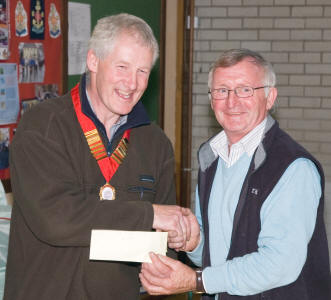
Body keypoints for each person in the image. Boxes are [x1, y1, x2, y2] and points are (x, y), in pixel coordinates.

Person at [4, 13, 191, 300]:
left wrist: (176, 240)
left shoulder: (156, 144)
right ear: (93, 61)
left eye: (143, 71)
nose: (132, 83)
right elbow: (57, 219)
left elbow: (160, 244)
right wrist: (150, 214)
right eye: (122, 67)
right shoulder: (42, 126)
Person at [139, 49, 331, 300]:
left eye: (245, 89)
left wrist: (196, 280)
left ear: (270, 97)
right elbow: (218, 255)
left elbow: (279, 264)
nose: (232, 101)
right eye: (222, 91)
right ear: (211, 100)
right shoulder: (211, 158)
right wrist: (194, 244)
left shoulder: (293, 167)